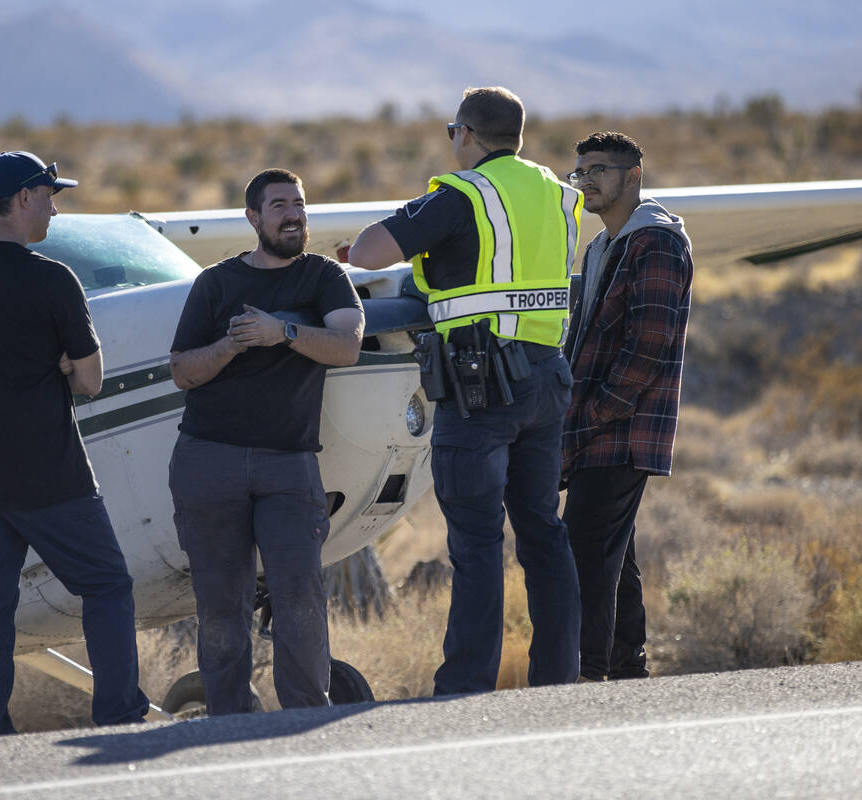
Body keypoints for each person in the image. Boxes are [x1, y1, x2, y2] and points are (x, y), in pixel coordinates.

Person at [348, 87, 582, 695]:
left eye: (454, 130)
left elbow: (372, 252)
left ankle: (466, 688)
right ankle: (559, 677)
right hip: (547, 375)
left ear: (468, 135)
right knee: (542, 532)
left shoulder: (462, 194)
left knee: (477, 543)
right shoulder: (558, 193)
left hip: (483, 387)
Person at [0, 151, 148, 734]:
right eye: (50, 194)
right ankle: (119, 715)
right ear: (23, 198)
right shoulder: (52, 278)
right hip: (48, 471)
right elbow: (91, 380)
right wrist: (60, 365)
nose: (55, 207)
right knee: (106, 585)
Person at [168, 168, 364, 715]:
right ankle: (229, 721)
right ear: (253, 218)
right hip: (209, 461)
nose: (293, 214)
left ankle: (306, 717)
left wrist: (286, 332)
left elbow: (348, 345)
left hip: (289, 465)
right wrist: (231, 346)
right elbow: (182, 370)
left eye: (299, 203)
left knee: (300, 595)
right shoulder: (216, 283)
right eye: (278, 205)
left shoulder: (325, 277)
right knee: (221, 606)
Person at [562, 132, 693, 682]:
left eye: (599, 170)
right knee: (614, 559)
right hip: (597, 428)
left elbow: (649, 345)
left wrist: (594, 414)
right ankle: (625, 672)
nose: (587, 180)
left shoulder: (657, 242)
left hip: (623, 429)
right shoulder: (600, 247)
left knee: (585, 554)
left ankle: (588, 676)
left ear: (633, 175)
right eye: (580, 172)